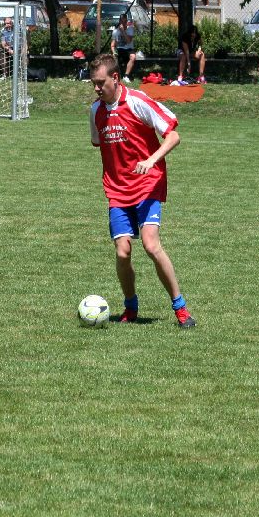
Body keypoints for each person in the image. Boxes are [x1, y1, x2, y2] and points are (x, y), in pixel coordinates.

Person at [89, 53, 196, 328]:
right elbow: (97, 142)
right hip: (117, 190)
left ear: (115, 78)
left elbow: (173, 135)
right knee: (122, 252)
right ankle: (131, 305)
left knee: (150, 244)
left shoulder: (138, 101)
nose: (97, 88)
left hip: (148, 184)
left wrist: (150, 160)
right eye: (93, 83)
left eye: (101, 82)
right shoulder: (95, 111)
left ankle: (181, 308)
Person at [111, 13, 136, 81]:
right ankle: (114, 75)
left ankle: (126, 76)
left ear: (127, 21)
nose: (123, 23)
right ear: (119, 21)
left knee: (133, 57)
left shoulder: (130, 29)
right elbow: (112, 45)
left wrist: (123, 31)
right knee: (113, 57)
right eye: (122, 21)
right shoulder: (115, 31)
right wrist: (113, 52)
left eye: (125, 21)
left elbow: (128, 41)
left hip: (129, 49)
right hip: (119, 49)